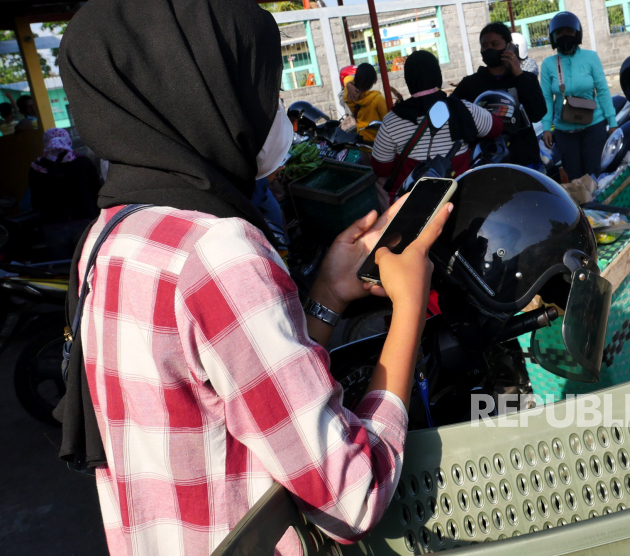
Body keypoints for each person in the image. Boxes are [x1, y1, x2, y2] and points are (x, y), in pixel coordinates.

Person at [56, 1, 450, 554]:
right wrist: (409, 308)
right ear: (205, 90)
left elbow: (239, 400)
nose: (278, 112)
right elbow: (350, 494)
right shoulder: (217, 252)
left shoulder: (110, 236)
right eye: (262, 83)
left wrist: (327, 294)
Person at [371, 50, 503, 202]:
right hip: (459, 199)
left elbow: (381, 168)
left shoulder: (391, 121)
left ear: (408, 80)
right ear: (438, 75)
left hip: (412, 205)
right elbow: (497, 128)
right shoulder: (464, 109)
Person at [452, 23, 546, 170]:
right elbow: (454, 115)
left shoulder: (526, 79)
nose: (489, 49)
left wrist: (519, 75)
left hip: (525, 160)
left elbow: (538, 113)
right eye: (484, 45)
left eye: (495, 44)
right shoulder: (470, 84)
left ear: (509, 47)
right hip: (486, 163)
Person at [540, 12, 617, 180]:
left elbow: (603, 90)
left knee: (596, 176)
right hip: (564, 131)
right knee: (575, 179)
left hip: (593, 126)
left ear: (577, 34)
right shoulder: (548, 64)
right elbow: (546, 98)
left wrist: (612, 122)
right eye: (559, 33)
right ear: (553, 37)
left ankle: (599, 207)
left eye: (569, 31)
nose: (564, 36)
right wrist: (546, 127)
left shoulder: (591, 57)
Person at [29, 128, 101, 223]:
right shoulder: (82, 161)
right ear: (68, 140)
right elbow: (96, 190)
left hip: (52, 221)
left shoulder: (37, 167)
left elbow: (36, 199)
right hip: (85, 218)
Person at [344, 63, 388, 160]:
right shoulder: (377, 99)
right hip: (379, 148)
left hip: (363, 146)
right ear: (374, 80)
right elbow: (387, 122)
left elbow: (347, 78)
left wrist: (349, 84)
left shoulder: (350, 98)